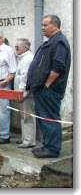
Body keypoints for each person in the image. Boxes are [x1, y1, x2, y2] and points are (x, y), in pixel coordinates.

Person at [27, 15, 71, 158]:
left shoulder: (59, 42)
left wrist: (47, 84)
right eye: (42, 25)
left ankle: (52, 149)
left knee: (50, 119)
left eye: (45, 25)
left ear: (55, 25)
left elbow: (58, 67)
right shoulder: (51, 42)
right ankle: (47, 146)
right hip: (42, 90)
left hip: (49, 91)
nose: (42, 28)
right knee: (44, 119)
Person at [14, 38, 36, 148]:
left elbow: (25, 77)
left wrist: (22, 93)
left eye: (17, 47)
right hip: (23, 93)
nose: (15, 49)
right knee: (23, 116)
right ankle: (25, 137)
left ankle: (29, 140)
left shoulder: (27, 59)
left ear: (25, 48)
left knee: (27, 116)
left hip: (26, 94)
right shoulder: (23, 58)